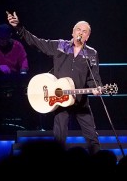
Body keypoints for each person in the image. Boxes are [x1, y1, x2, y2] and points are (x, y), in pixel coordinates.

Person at [7, 11, 103, 154]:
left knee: (92, 138)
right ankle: (58, 164)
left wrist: (97, 88)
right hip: (60, 99)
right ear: (72, 32)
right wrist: (19, 27)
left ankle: (99, 164)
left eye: (84, 31)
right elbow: (37, 42)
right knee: (59, 138)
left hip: (80, 101)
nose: (81, 33)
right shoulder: (60, 46)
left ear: (87, 37)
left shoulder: (91, 53)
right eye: (78, 29)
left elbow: (93, 78)